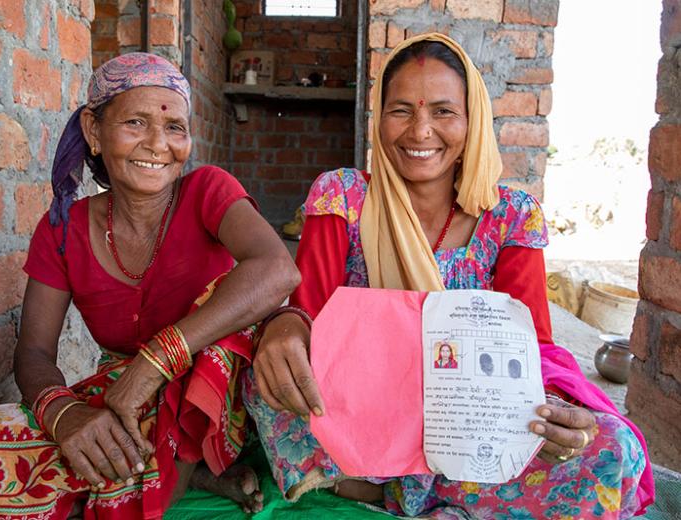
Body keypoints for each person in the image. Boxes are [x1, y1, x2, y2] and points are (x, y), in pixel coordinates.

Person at [244, 33, 653, 518]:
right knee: (270, 377)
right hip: (363, 411)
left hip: (468, 420)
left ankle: (388, 488)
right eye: (401, 110)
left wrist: (556, 408)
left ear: (471, 120)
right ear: (379, 117)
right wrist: (285, 324)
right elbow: (307, 314)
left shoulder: (511, 217)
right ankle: (439, 492)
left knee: (612, 449)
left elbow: (534, 346)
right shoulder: (345, 197)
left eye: (442, 111)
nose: (420, 131)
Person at [0, 53, 299, 519]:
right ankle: (174, 470)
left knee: (226, 330)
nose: (159, 144)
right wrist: (65, 415)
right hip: (125, 401)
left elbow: (278, 270)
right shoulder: (63, 231)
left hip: (214, 400)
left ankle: (163, 470)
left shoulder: (206, 192)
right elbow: (34, 354)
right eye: (136, 122)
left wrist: (156, 363)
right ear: (94, 132)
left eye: (175, 127)